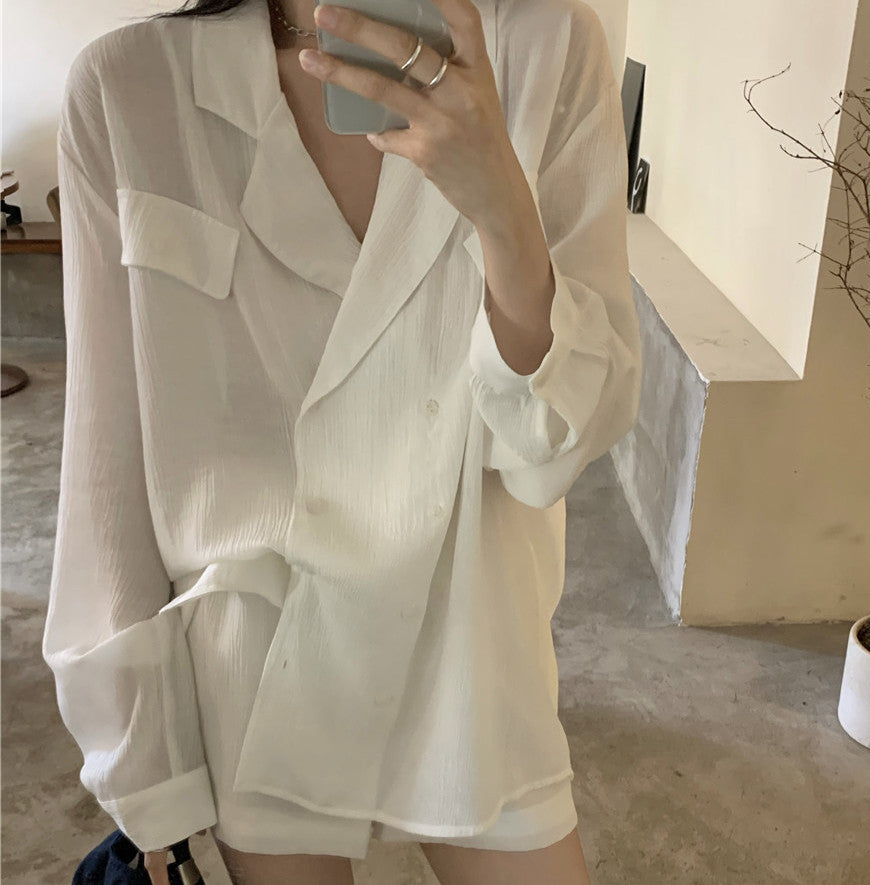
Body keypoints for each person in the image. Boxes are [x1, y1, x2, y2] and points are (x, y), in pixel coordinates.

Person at [43, 0, 642, 882]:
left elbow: (565, 433)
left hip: (471, 633)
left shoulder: (546, 48)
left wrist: (499, 203)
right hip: (254, 660)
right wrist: (142, 764)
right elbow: (107, 462)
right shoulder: (130, 85)